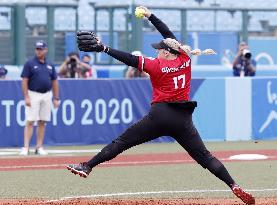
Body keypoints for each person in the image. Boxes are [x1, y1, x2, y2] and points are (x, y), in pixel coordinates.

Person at [67, 6, 255, 205]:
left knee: (121, 142)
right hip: (182, 120)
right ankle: (234, 185)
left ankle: (87, 166)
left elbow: (129, 59)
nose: (157, 52)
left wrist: (104, 48)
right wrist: (150, 16)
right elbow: (169, 35)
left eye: (159, 49)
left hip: (160, 116)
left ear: (166, 52)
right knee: (205, 157)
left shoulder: (156, 65)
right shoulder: (185, 58)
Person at [20, 40, 60, 156]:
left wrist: (56, 97)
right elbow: (24, 81)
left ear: (46, 50)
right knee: (30, 120)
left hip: (47, 95)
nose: (39, 51)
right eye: (37, 49)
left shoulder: (50, 64)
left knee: (42, 121)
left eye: (41, 49)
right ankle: (26, 147)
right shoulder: (30, 63)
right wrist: (26, 96)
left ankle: (39, 147)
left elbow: (55, 81)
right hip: (33, 94)